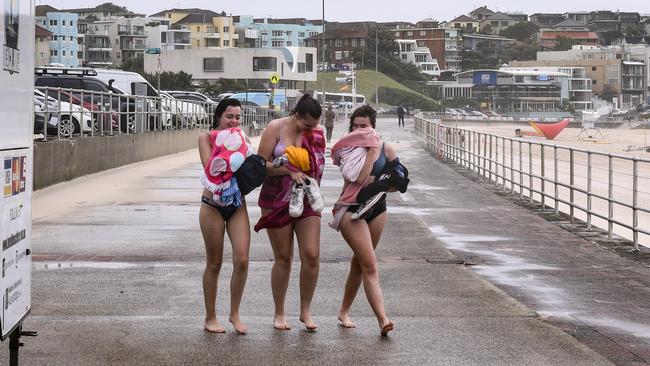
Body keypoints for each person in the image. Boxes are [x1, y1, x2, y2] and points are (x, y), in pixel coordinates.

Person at [330, 105, 406, 336]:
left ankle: (343, 311)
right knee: (370, 265)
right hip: (352, 211)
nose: (360, 130)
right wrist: (372, 153)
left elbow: (398, 184)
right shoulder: (347, 151)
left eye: (365, 126)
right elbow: (360, 177)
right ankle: (383, 319)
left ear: (373, 126)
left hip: (377, 208)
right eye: (356, 126)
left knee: (360, 263)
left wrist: (390, 180)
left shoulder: (388, 149)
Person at [255, 94, 326, 331]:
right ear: (297, 116)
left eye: (314, 125)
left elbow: (318, 166)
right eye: (307, 125)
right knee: (283, 257)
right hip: (275, 198)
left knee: (312, 255)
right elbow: (260, 166)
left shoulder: (316, 133)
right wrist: (287, 170)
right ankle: (279, 312)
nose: (310, 129)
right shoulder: (276, 127)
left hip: (305, 197)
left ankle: (305, 310)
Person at [198, 98, 253, 334]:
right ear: (219, 116)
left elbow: (251, 167)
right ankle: (210, 317)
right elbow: (211, 167)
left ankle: (234, 314)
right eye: (230, 116)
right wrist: (233, 150)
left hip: (237, 204)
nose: (234, 121)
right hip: (212, 204)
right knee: (215, 262)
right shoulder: (206, 137)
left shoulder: (244, 139)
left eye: (238, 117)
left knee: (242, 260)